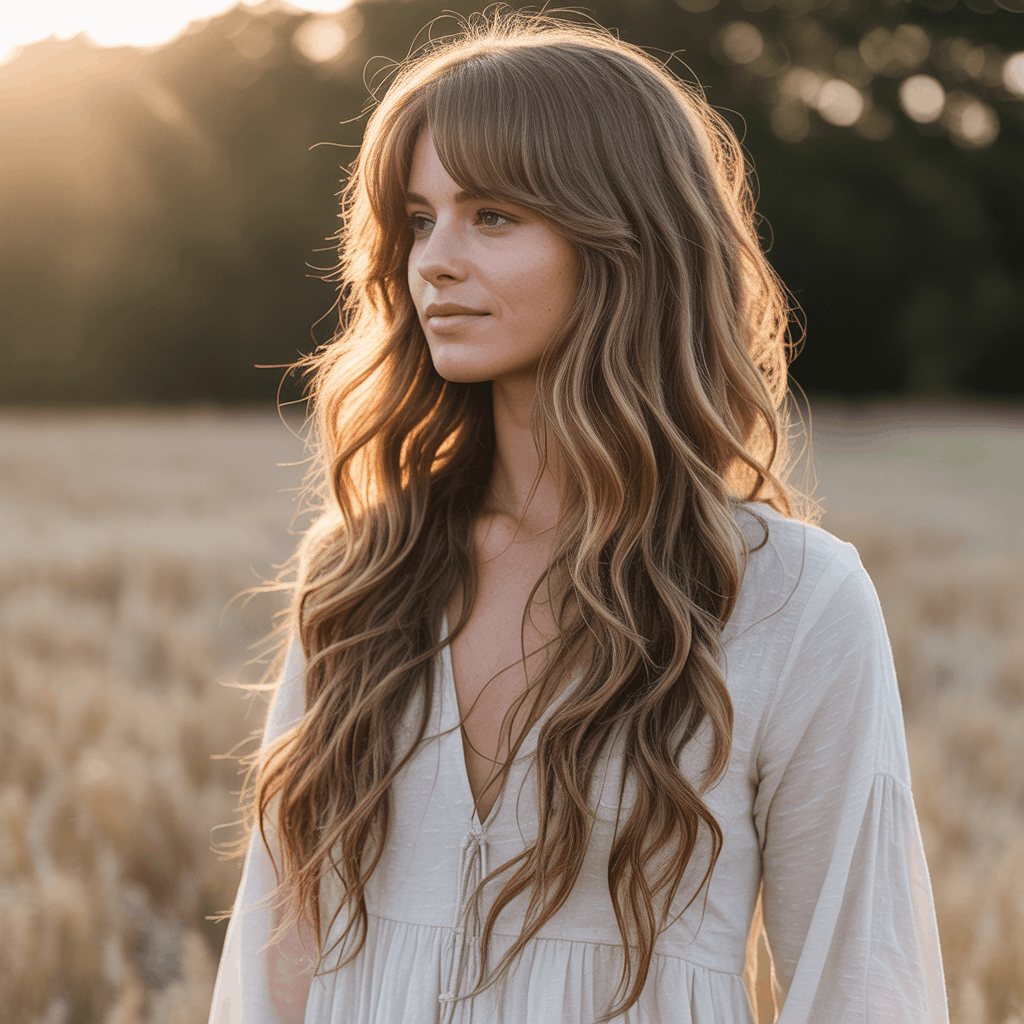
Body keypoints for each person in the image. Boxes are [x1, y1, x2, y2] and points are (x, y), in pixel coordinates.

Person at [208, 9, 948, 1023]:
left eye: (492, 216)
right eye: (419, 219)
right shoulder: (362, 569)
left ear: (626, 239)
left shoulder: (790, 597)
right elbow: (274, 950)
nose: (433, 259)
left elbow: (862, 982)